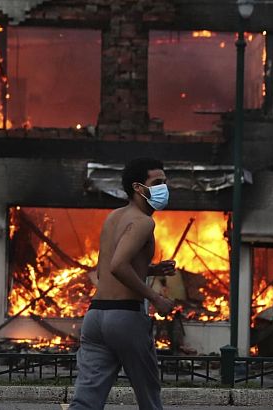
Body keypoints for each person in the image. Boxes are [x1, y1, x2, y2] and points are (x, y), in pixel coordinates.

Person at [70, 158, 176, 410]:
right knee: (149, 395)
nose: (164, 188)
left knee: (86, 400)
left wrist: (151, 269)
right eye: (157, 183)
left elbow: (105, 267)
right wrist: (156, 298)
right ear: (139, 188)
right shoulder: (143, 221)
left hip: (95, 317)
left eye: (165, 182)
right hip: (125, 316)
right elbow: (118, 266)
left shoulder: (114, 217)